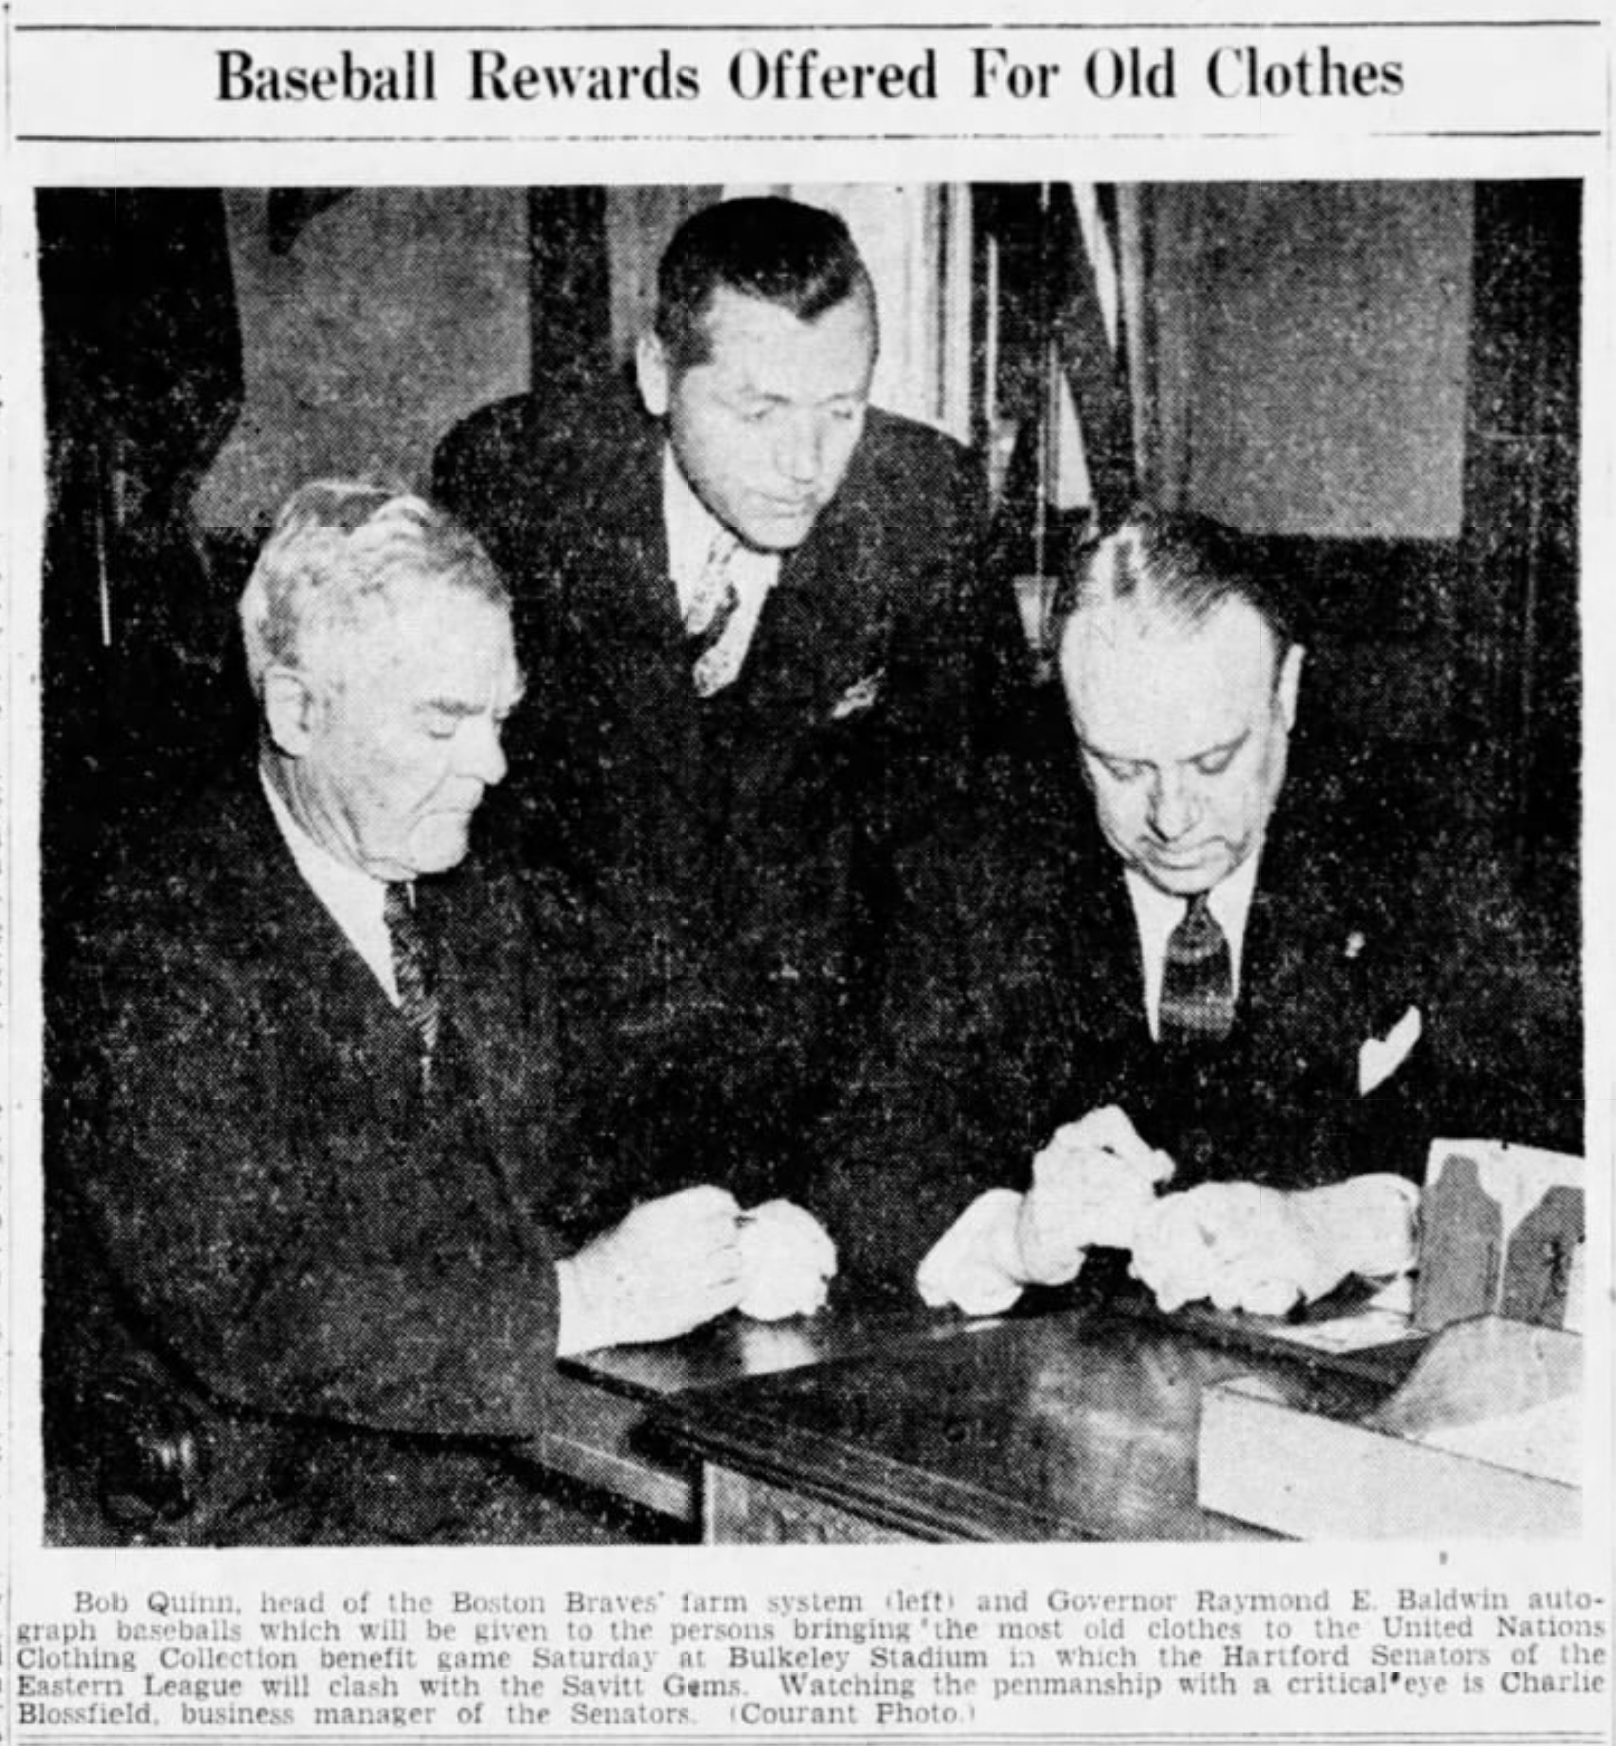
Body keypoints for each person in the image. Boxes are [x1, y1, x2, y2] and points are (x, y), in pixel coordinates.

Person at [46, 482, 834, 1545]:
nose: (493, 766)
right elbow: (253, 1304)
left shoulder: (462, 882)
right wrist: (583, 1300)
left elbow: (591, 1124)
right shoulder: (151, 938)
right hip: (270, 1515)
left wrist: (741, 1230)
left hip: (503, 1461)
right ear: (295, 711)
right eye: (441, 723)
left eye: (499, 716)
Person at [810, 509, 1581, 1313]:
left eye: (1214, 761)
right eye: (1120, 766)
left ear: (1286, 690)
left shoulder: (1423, 842)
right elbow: (861, 1156)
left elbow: (1556, 1131)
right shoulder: (974, 862)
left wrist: (1356, 1222)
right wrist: (1017, 1238)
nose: (1172, 818)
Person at [434, 195, 1027, 1206]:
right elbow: (471, 862)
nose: (806, 466)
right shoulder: (518, 485)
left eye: (840, 410)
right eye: (759, 411)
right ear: (659, 375)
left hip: (817, 1126)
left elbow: (959, 862)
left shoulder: (923, 507)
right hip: (562, 1117)